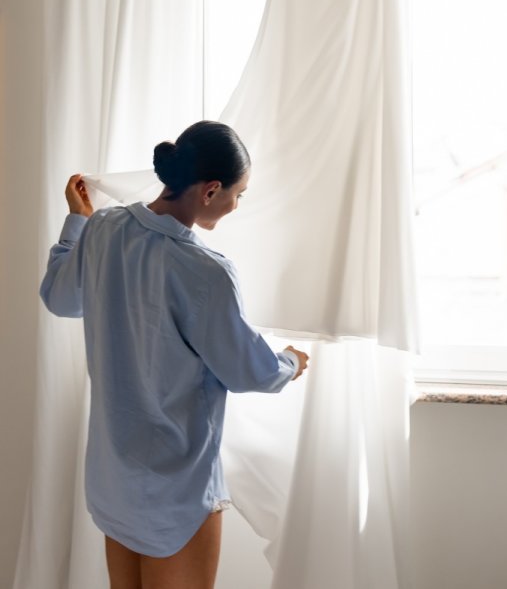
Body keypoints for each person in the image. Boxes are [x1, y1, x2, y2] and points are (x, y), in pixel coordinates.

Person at [40, 120, 309, 589]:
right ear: (209, 190)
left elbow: (61, 299)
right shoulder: (205, 271)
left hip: (114, 477)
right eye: (237, 194)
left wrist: (78, 219)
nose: (236, 205)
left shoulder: (103, 228)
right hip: (176, 489)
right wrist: (289, 362)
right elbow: (249, 371)